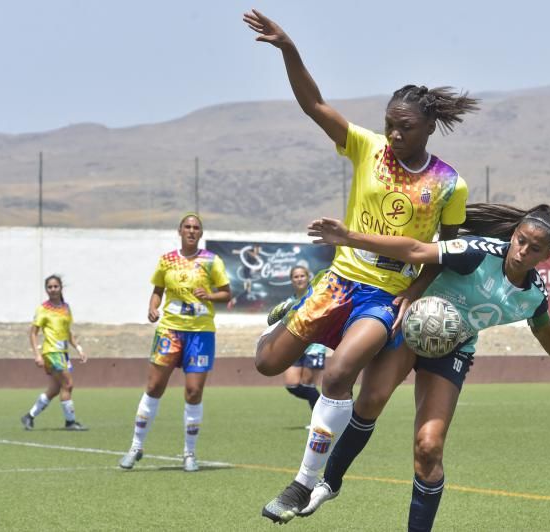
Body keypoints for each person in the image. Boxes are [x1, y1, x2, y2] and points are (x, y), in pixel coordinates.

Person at [244, 9, 479, 523]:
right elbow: (314, 104)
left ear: (428, 127)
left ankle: (303, 484)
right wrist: (288, 48)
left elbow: (446, 251)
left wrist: (414, 292)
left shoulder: (449, 184)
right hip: (339, 280)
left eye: (405, 127)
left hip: (384, 296)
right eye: (389, 124)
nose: (393, 134)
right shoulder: (366, 147)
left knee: (338, 372)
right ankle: (297, 310)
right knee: (266, 362)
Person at [305, 204, 550, 531]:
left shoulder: (533, 295)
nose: (522, 251)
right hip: (412, 325)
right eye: (520, 240)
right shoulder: (478, 252)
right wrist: (349, 237)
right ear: (514, 234)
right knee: (371, 400)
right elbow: (418, 250)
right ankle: (330, 482)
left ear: (546, 257)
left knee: (429, 448)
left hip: (453, 348)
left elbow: (543, 327)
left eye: (534, 249)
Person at [118, 213, 231, 473]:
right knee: (155, 386)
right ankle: (136, 446)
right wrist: (152, 308)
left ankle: (189, 453)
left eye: (196, 228)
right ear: (179, 231)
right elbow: (157, 291)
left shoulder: (212, 261)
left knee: (193, 392)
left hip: (200, 334)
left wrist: (211, 295)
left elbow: (227, 293)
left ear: (201, 234)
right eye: (187, 227)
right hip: (169, 331)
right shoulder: (166, 260)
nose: (191, 231)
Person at [21, 275, 88, 431]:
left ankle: (29, 417)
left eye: (55, 286)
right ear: (46, 290)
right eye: (49, 287)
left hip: (63, 353)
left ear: (60, 288)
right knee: (68, 384)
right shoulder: (43, 309)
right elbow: (33, 333)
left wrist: (78, 348)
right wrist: (37, 354)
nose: (53, 290)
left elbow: (67, 331)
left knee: (55, 389)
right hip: (51, 352)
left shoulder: (66, 308)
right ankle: (70, 422)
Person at [280, 266, 326, 415]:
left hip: (315, 347)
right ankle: (325, 408)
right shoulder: (288, 303)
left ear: (308, 277)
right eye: (296, 276)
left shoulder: (316, 297)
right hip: (295, 348)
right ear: (291, 280)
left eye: (302, 276)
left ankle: (319, 421)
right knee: (292, 385)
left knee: (308, 385)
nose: (299, 279)